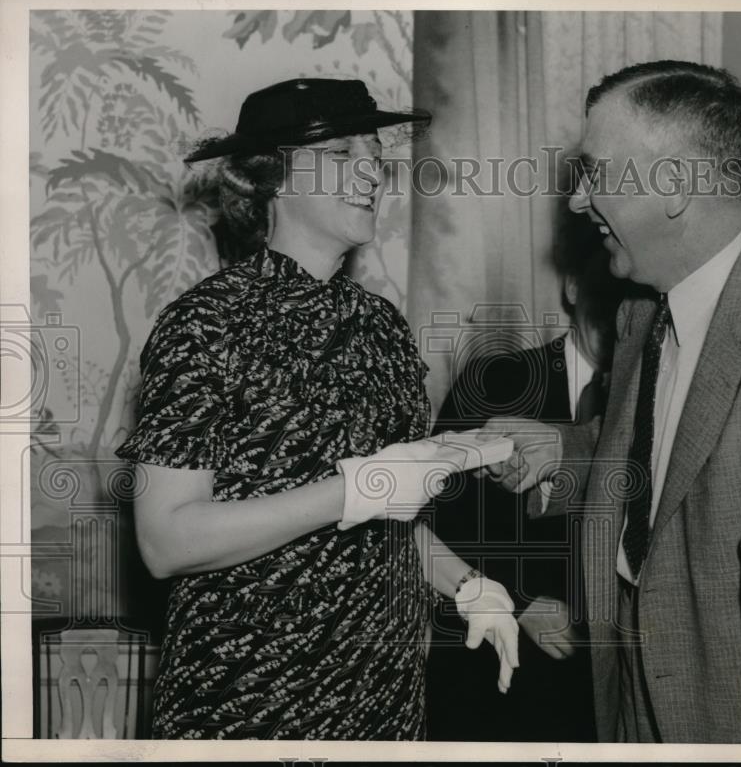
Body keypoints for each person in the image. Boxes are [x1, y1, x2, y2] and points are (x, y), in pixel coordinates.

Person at [480, 60, 741, 743]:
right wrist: (561, 452)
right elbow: (666, 454)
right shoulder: (645, 309)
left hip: (734, 714)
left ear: (672, 186)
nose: (577, 202)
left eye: (596, 173)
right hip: (631, 692)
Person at [115, 78, 519, 740]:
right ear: (272, 177)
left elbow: (386, 513)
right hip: (247, 703)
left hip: (385, 701)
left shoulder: (381, 327)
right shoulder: (205, 326)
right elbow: (165, 541)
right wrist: (357, 490)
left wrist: (467, 585)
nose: (370, 173)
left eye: (374, 155)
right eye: (338, 154)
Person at [425, 229, 627, 742]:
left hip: (604, 687)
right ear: (573, 287)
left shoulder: (645, 404)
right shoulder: (495, 379)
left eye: (629, 298)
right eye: (604, 290)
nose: (616, 312)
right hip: (490, 676)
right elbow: (436, 514)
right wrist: (520, 601)